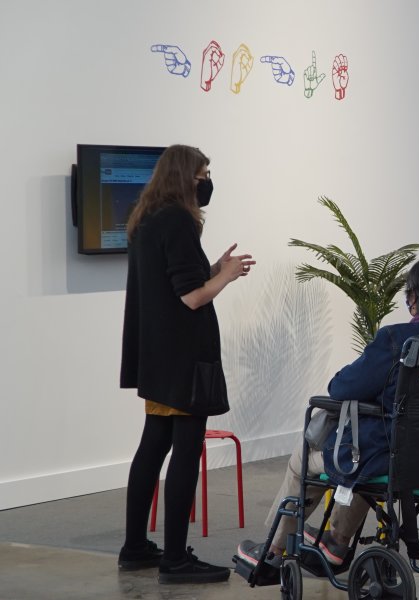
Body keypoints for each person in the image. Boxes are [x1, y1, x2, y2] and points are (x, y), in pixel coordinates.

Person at [237, 254, 419, 568]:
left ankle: (273, 550)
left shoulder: (397, 339)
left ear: (415, 298)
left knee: (307, 460)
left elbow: (341, 389)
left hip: (396, 459)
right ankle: (334, 543)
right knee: (362, 459)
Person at [119, 144, 255, 584]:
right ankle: (175, 559)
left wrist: (215, 266)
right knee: (183, 452)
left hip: (156, 359)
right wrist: (227, 276)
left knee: (152, 448)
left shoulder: (146, 221)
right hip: (182, 361)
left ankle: (135, 547)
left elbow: (179, 282)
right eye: (204, 173)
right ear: (185, 176)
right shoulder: (178, 221)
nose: (207, 181)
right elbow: (192, 297)